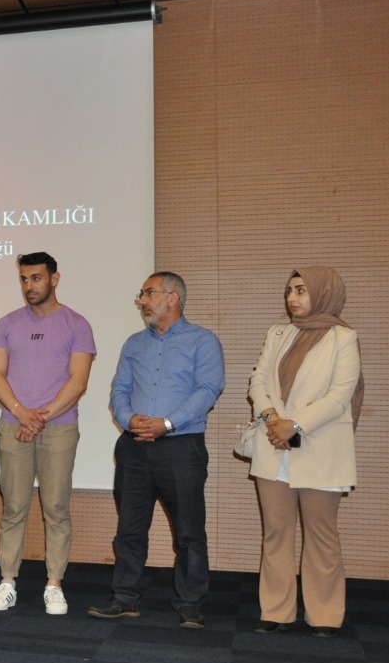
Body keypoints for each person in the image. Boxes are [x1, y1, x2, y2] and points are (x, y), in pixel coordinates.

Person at [89, 272, 224, 627]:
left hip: (181, 447)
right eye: (141, 294)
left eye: (149, 293)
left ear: (173, 297)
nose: (142, 301)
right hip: (134, 447)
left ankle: (190, 602)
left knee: (189, 530)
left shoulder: (202, 341)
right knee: (129, 529)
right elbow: (119, 390)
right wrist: (128, 418)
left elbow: (208, 389)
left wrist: (167, 423)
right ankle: (125, 597)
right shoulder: (134, 343)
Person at [245, 267, 363, 638]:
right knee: (276, 533)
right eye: (289, 291)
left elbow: (339, 396)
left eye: (301, 290)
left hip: (320, 447)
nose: (292, 298)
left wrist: (293, 425)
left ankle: (325, 614)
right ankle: (276, 610)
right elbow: (258, 380)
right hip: (273, 444)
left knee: (321, 534)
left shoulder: (344, 337)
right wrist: (272, 419)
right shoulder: (277, 333)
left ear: (323, 293)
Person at [0, 253, 96, 615]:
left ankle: (54, 584)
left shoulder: (77, 324)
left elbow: (78, 382)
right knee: (13, 507)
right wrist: (21, 414)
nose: (29, 286)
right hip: (13, 425)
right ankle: (7, 581)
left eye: (36, 278)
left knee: (56, 508)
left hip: (58, 428)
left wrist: (40, 417)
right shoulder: (7, 323)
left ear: (54, 279)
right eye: (24, 279)